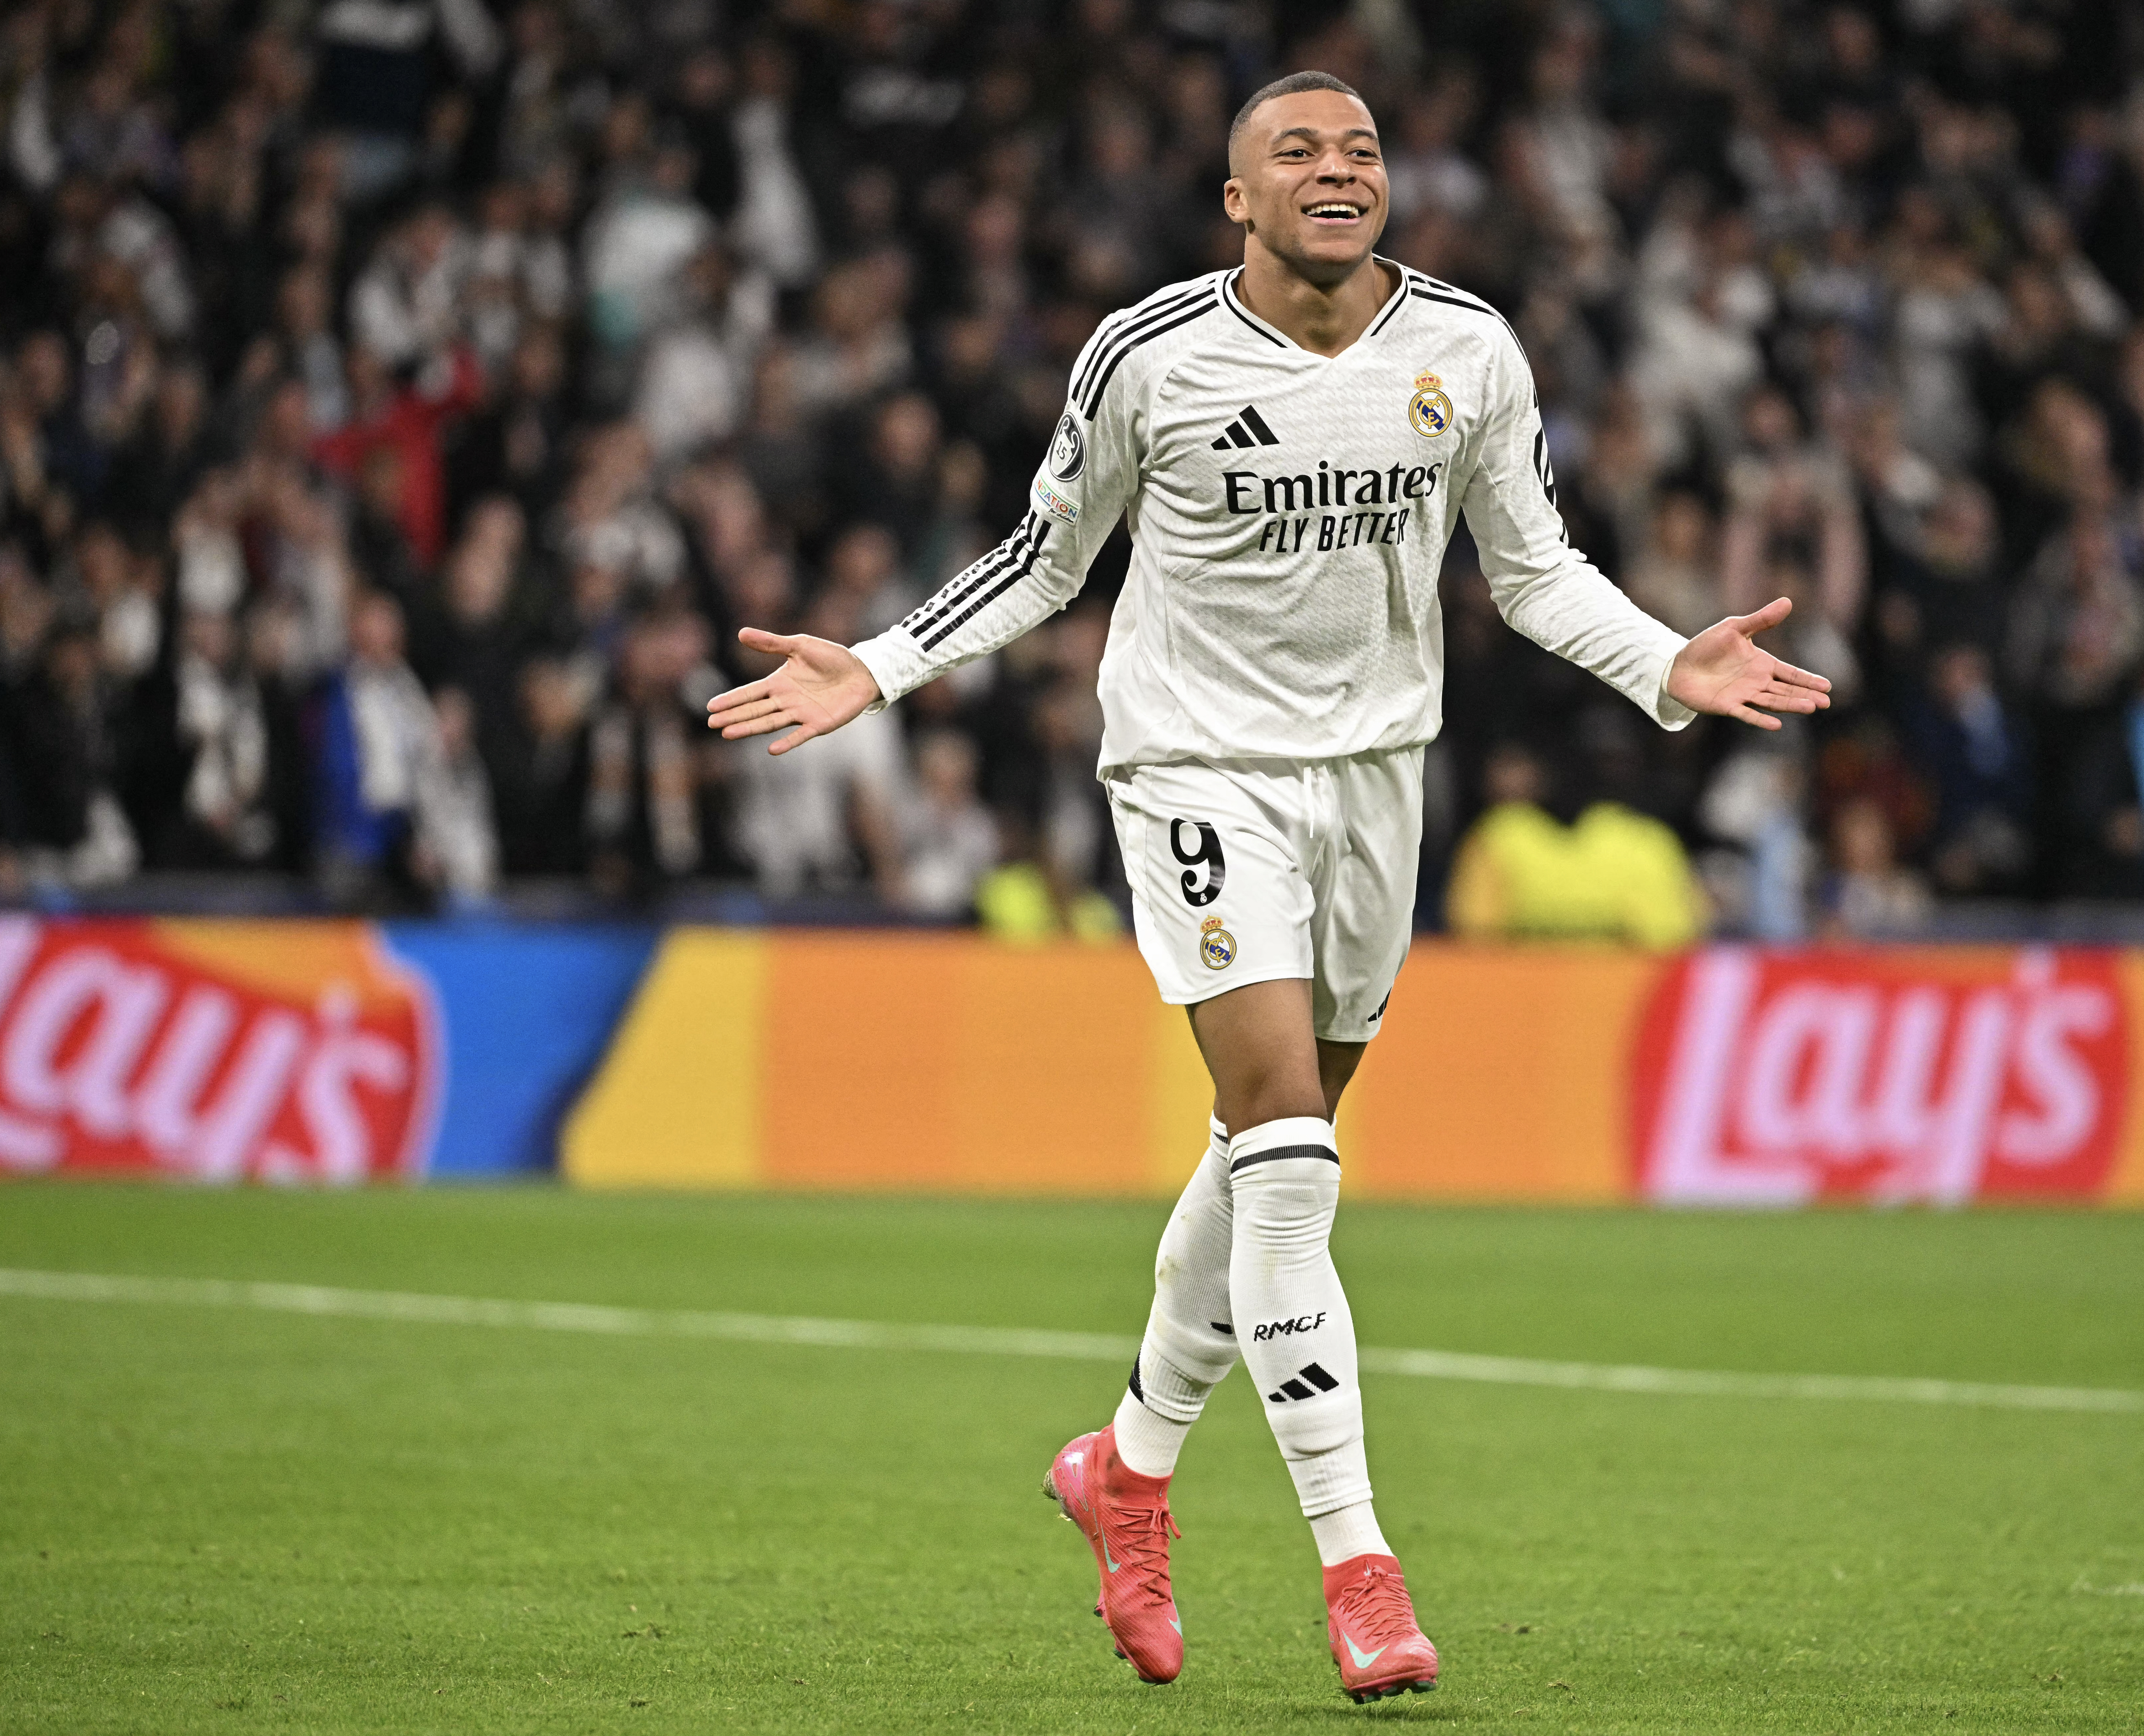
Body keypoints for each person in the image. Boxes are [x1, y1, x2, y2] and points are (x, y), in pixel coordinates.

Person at [704, 72, 1830, 1705]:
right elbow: (1046, 556)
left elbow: (1526, 569)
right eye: (1296, 152)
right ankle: (1359, 1567)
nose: (1336, 171)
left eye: (1360, 151)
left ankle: (1128, 1469)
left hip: (1377, 783)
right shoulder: (1149, 356)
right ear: (1236, 199)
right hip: (1195, 773)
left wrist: (1669, 657)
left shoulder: (1466, 350)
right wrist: (877, 666)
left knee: (1261, 1154)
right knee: (1293, 1158)